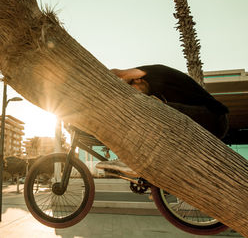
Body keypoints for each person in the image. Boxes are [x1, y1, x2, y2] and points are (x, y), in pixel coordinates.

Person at [96, 64, 229, 176]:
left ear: (137, 79)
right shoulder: (156, 94)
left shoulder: (153, 72)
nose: (137, 94)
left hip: (214, 117)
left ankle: (131, 161)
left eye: (134, 90)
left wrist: (99, 80)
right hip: (201, 126)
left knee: (147, 107)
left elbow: (118, 73)